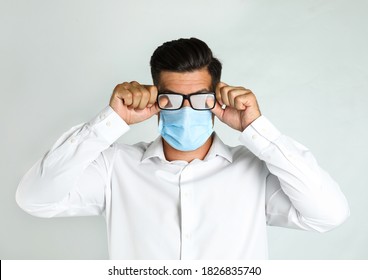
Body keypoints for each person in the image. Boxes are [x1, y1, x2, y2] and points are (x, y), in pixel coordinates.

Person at [16, 37, 349, 260]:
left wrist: (256, 128)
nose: (186, 109)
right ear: (157, 100)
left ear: (215, 100)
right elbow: (35, 199)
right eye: (173, 98)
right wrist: (111, 121)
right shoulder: (115, 167)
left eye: (200, 98)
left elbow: (328, 214)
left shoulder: (255, 171)